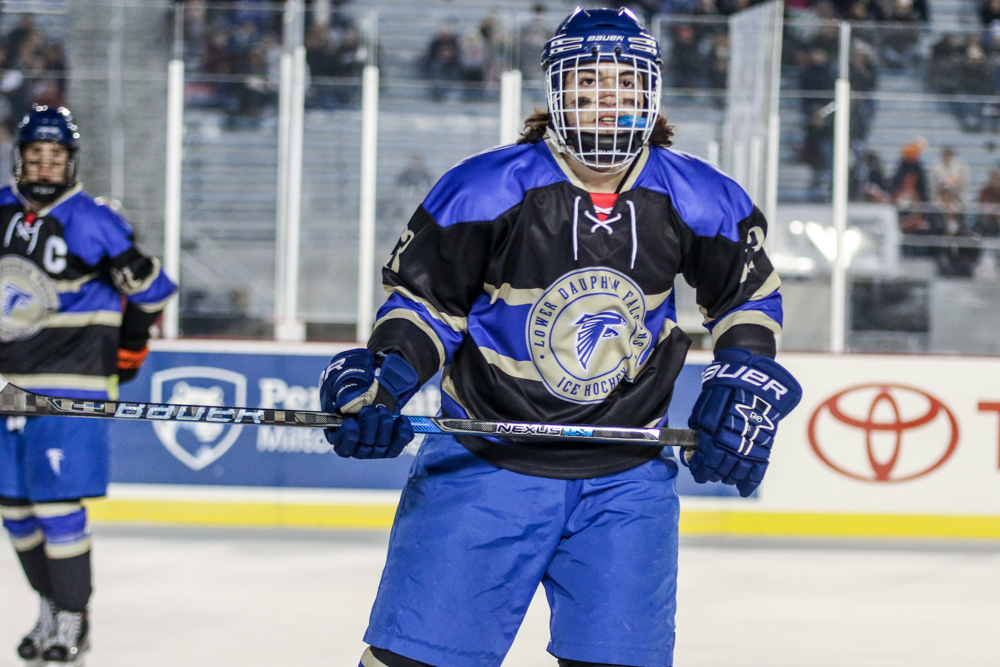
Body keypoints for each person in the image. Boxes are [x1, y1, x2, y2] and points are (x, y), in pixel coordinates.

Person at [319, 8, 802, 667]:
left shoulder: (700, 195)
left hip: (625, 481)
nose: (606, 98)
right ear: (556, 93)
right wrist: (386, 379)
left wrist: (745, 378)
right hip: (482, 466)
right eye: (588, 82)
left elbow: (745, 295)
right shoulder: (484, 187)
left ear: (649, 93)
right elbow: (426, 305)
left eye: (624, 83)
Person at [0, 105, 177, 666]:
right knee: (14, 508)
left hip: (70, 385)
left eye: (56, 156)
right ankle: (51, 609)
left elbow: (154, 291)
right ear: (20, 158)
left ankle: (75, 619)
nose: (46, 165)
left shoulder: (95, 221)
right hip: (6, 384)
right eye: (36, 155)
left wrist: (127, 346)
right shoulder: (1, 210)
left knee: (55, 505)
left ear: (70, 161)